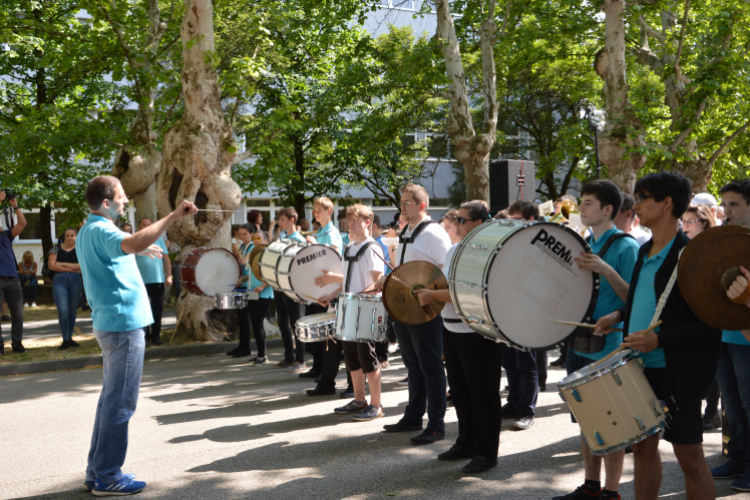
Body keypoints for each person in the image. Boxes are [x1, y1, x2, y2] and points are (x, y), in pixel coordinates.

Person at [596, 172, 720, 500]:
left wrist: (660, 341)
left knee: (690, 459)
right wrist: (618, 315)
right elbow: (641, 299)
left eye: (643, 197)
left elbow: (709, 324)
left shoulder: (692, 255)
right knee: (643, 449)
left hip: (678, 371)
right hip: (639, 367)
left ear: (666, 203)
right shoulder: (644, 250)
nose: (635, 205)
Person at [78, 175, 197, 495]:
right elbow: (131, 242)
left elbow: (120, 252)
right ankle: (107, 475)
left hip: (112, 324)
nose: (126, 199)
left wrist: (137, 252)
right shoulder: (102, 229)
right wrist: (173, 216)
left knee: (109, 401)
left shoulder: (89, 229)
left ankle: (96, 470)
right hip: (122, 326)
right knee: (119, 403)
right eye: (121, 196)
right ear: (106, 202)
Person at [552, 180, 639, 500]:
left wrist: (606, 273)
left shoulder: (626, 246)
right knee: (587, 422)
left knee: (612, 424)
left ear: (607, 210)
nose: (581, 208)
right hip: (581, 341)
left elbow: (634, 298)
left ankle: (612, 492)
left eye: (587, 203)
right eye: (582, 202)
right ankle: (591, 487)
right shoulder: (586, 241)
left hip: (610, 346)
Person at [415, 201, 505, 473]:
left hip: (479, 332)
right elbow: (445, 284)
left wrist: (430, 296)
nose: (457, 223)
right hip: (452, 329)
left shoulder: (486, 251)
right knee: (462, 392)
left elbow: (465, 291)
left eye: (462, 220)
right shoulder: (455, 248)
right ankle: (466, 442)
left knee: (484, 394)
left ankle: (487, 453)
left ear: (478, 223)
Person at [373, 183, 452, 444]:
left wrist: (428, 293)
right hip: (406, 308)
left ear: (422, 206)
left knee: (430, 367)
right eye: (401, 202)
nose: (402, 206)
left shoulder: (433, 233)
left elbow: (444, 271)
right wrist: (390, 278)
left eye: (407, 202)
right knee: (413, 366)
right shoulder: (408, 230)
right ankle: (414, 415)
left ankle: (436, 424)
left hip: (426, 309)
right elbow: (408, 269)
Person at [317, 204, 386, 419]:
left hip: (364, 310)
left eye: (355, 220)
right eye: (349, 220)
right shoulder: (349, 247)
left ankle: (376, 405)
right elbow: (347, 281)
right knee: (352, 359)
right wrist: (332, 296)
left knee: (368, 358)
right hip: (348, 309)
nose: (350, 224)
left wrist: (356, 297)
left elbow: (378, 283)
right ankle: (359, 400)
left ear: (368, 222)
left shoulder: (372, 247)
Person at [710, 179, 750, 491]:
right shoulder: (725, 239)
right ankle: (737, 458)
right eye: (724, 205)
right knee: (732, 404)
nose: (726, 211)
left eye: (734, 204)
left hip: (746, 338)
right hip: (725, 335)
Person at [503, 200, 544, 430]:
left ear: (530, 219)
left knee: (527, 364)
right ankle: (514, 403)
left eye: (516, 220)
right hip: (511, 310)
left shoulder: (541, 242)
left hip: (530, 312)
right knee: (510, 361)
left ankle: (527, 410)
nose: (512, 225)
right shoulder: (516, 241)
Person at [303, 197, 344, 393]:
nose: (315, 212)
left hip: (334, 290)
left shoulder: (331, 233)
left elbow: (333, 255)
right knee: (331, 342)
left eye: (319, 209)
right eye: (314, 209)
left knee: (333, 342)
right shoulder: (322, 231)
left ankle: (329, 383)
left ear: (329, 211)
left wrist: (314, 245)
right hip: (329, 290)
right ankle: (327, 382)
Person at [272, 207, 308, 371]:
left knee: (296, 323)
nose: (280, 222)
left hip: (292, 287)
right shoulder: (283, 237)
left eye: (283, 220)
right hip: (280, 285)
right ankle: (289, 356)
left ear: (292, 220)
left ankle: (300, 359)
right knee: (283, 323)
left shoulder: (299, 240)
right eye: (279, 219)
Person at [134, 217, 171, 346]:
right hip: (140, 282)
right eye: (144, 225)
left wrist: (169, 275)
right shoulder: (135, 241)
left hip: (157, 280)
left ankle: (155, 335)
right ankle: (144, 337)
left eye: (149, 224)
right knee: (142, 310)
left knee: (157, 309)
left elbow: (166, 259)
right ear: (139, 227)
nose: (147, 226)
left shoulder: (159, 240)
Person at [0, 191, 27, 355]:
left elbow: (22, 224)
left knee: (18, 315)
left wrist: (15, 205)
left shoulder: (5, 236)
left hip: (13, 279)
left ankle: (17, 344)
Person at [48, 228, 84, 350]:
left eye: (72, 236)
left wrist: (62, 264)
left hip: (75, 281)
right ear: (64, 237)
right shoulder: (56, 248)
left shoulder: (79, 248)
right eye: (67, 236)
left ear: (76, 237)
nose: (70, 238)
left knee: (72, 311)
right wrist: (71, 268)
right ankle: (65, 339)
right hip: (60, 281)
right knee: (63, 311)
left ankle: (70, 337)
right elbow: (51, 265)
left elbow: (81, 266)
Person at [230, 224, 257, 358]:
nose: (242, 236)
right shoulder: (242, 246)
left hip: (248, 285)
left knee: (245, 317)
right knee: (240, 317)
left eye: (245, 234)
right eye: (240, 234)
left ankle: (246, 347)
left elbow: (244, 261)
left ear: (252, 234)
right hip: (241, 283)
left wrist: (238, 252)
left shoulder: (252, 247)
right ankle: (241, 345)